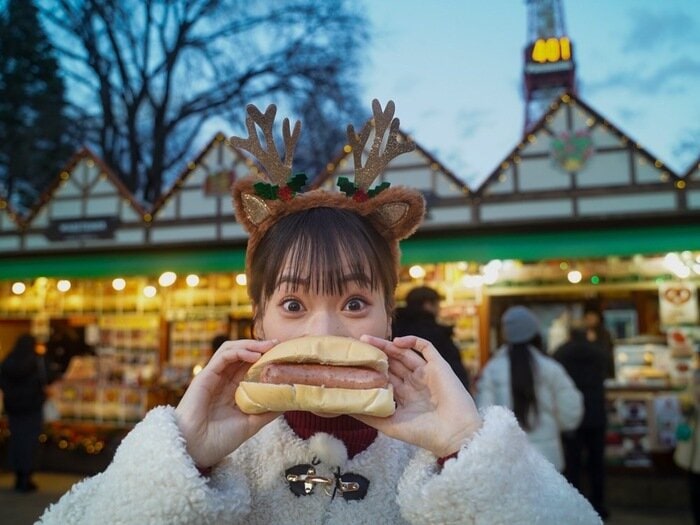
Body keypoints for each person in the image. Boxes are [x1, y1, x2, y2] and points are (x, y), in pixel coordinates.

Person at [38, 101, 600, 524]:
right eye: (293, 304)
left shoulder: (429, 453)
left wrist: (466, 452)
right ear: (257, 321)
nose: (325, 331)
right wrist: (183, 456)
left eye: (355, 302)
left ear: (388, 317)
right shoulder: (222, 451)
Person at [476, 305, 584, 472]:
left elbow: (483, 413)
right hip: (548, 457)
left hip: (506, 457)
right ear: (534, 332)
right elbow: (570, 410)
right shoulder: (551, 367)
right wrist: (558, 427)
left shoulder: (492, 369)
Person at [554, 324, 610, 519]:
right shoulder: (598, 351)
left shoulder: (561, 352)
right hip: (596, 414)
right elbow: (609, 371)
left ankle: (574, 506)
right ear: (587, 333)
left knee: (573, 463)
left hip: (573, 416)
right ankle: (599, 505)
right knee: (597, 463)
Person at [392, 286, 470, 391]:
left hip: (401, 392)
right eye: (438, 305)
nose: (439, 309)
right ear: (428, 304)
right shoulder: (437, 334)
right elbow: (454, 371)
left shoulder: (394, 329)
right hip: (436, 395)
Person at [0, 333, 46, 492]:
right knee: (30, 442)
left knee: (17, 440)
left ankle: (18, 476)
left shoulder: (7, 361)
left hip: (14, 408)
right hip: (32, 408)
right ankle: (26, 477)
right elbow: (45, 380)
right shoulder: (35, 361)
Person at [583, 304, 615, 380]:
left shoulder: (604, 334)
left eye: (592, 316)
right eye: (587, 317)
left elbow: (607, 354)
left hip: (603, 373)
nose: (589, 319)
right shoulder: (581, 334)